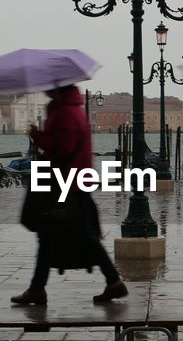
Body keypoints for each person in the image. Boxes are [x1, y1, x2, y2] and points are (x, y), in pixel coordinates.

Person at [11, 85, 127, 305]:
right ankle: (111, 282)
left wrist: (38, 136)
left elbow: (63, 150)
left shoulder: (65, 112)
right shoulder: (71, 109)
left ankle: (112, 282)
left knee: (61, 234)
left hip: (65, 182)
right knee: (60, 235)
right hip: (73, 180)